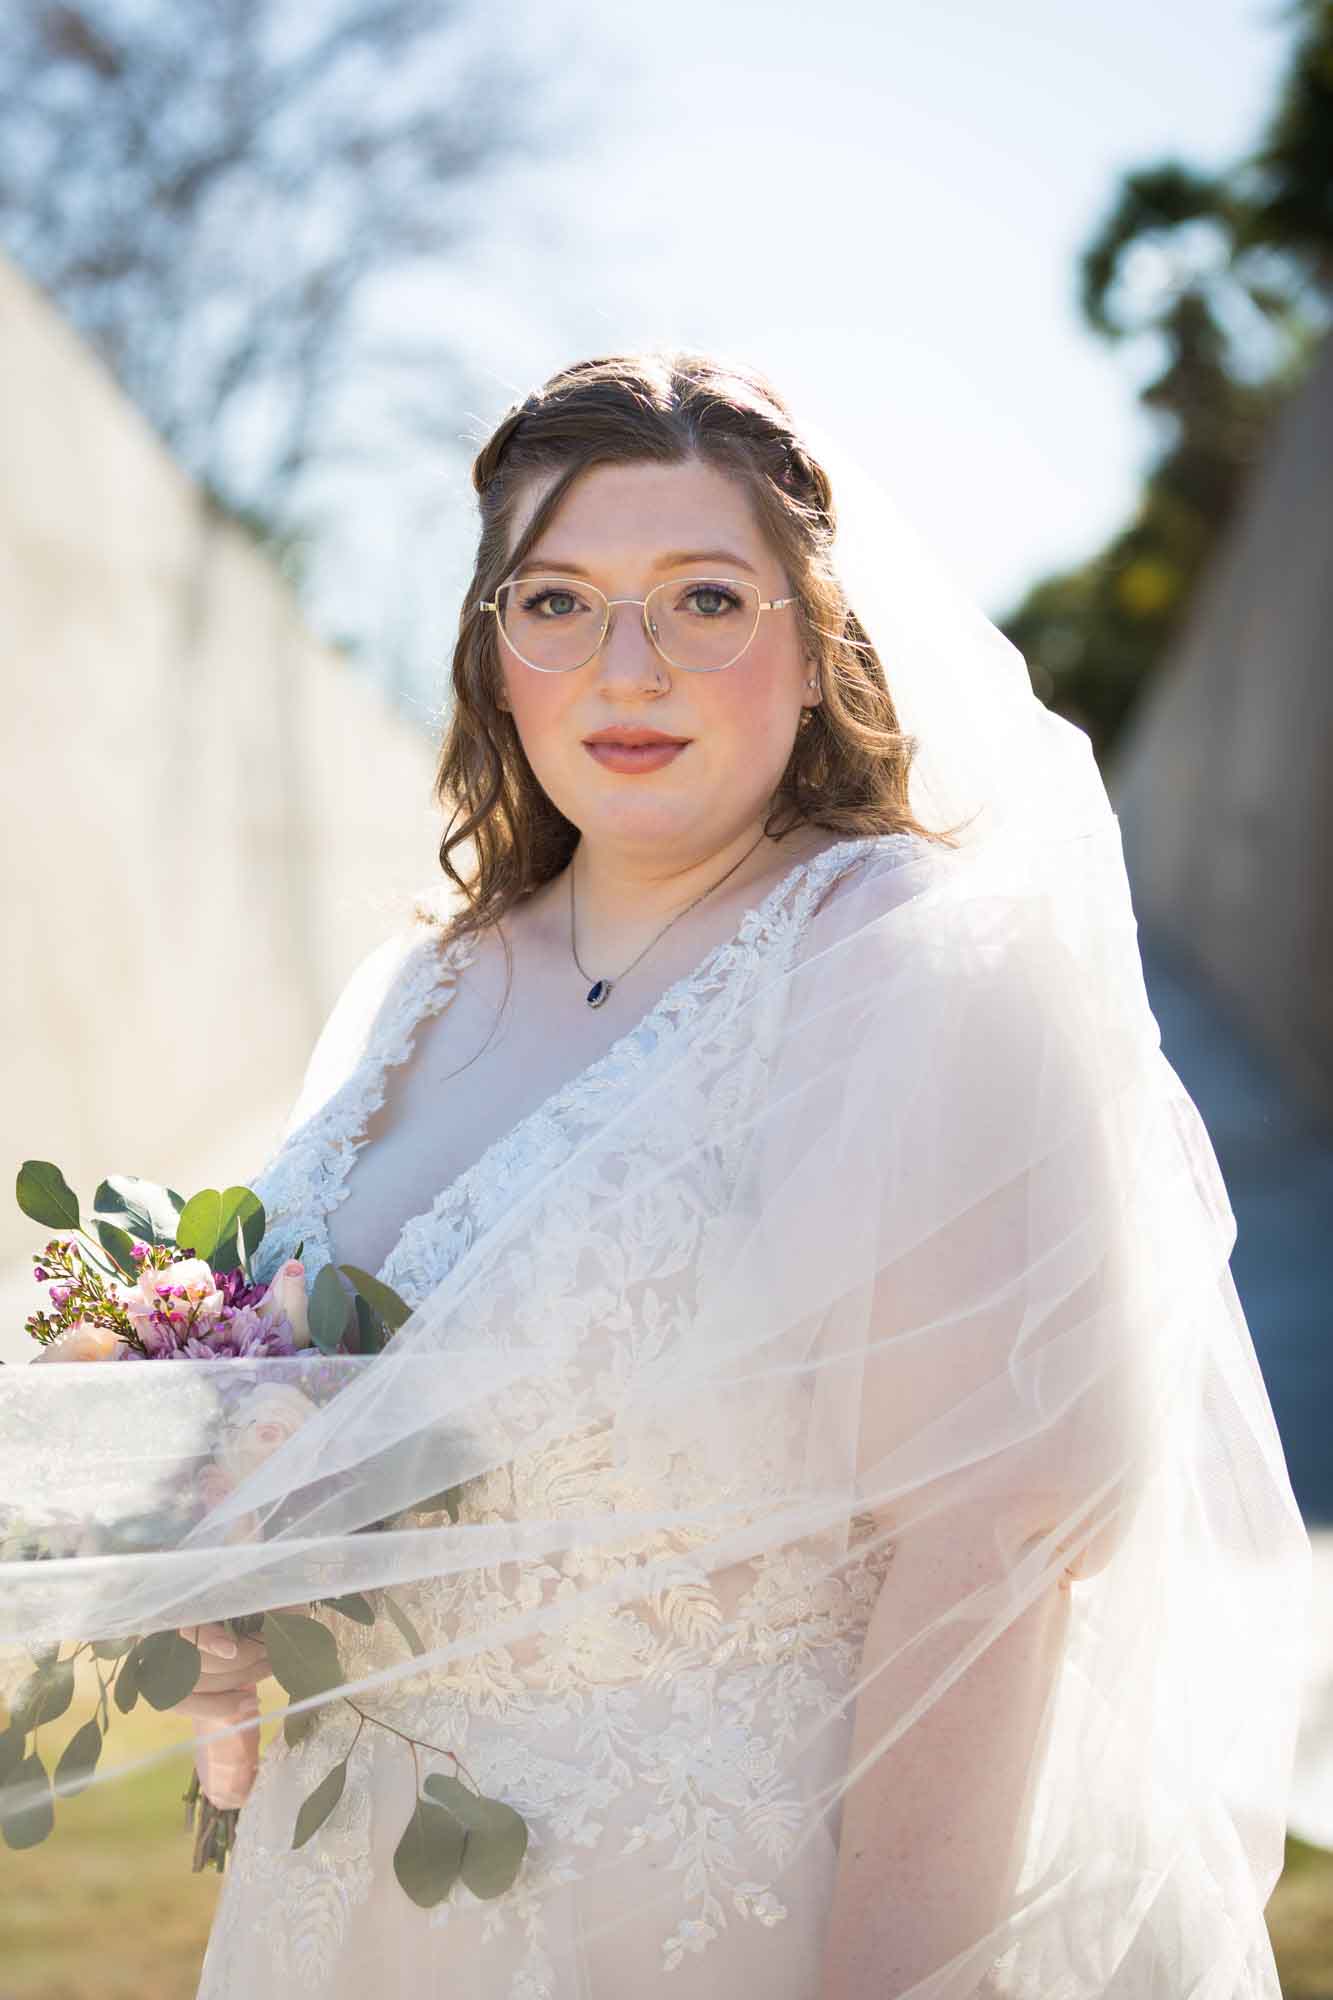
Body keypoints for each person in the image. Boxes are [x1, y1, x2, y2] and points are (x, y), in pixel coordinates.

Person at [2, 349, 1310, 1999]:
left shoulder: (916, 974)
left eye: (703, 598)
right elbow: (328, 1415)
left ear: (818, 637)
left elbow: (996, 1546)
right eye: (558, 601)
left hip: (717, 1909)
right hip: (357, 1897)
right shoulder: (429, 980)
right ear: (492, 648)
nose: (628, 667)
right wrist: (234, 1554)